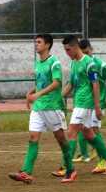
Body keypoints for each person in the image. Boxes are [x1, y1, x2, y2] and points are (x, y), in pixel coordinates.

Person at [52, 35, 106, 181]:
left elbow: (95, 85)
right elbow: (70, 84)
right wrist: (57, 98)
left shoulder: (89, 63)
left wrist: (97, 106)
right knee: (89, 135)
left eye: (68, 50)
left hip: (86, 103)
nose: (67, 53)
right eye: (65, 50)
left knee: (71, 133)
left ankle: (68, 169)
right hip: (79, 102)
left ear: (76, 47)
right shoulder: (74, 64)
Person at [8, 33, 76, 183]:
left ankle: (70, 169)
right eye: (35, 42)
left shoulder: (54, 62)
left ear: (47, 45)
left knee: (61, 139)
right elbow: (41, 82)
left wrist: (37, 94)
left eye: (39, 42)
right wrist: (31, 92)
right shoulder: (38, 63)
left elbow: (56, 83)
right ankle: (27, 172)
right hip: (39, 107)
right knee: (33, 137)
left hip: (52, 107)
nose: (35, 44)